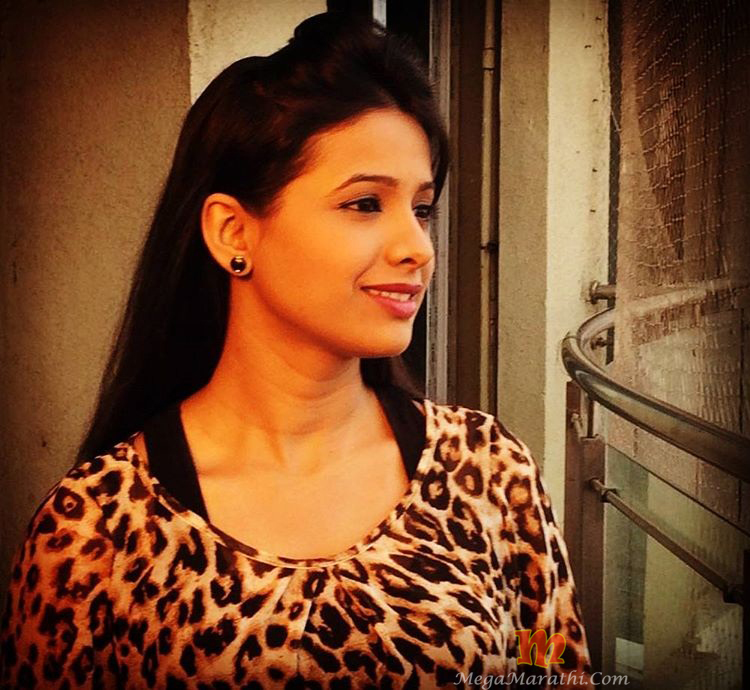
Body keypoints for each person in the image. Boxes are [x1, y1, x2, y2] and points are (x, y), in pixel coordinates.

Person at [0, 11, 591, 689]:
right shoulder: (93, 532)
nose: (418, 248)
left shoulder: (490, 472)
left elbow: (554, 674)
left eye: (422, 209)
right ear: (233, 233)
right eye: (365, 204)